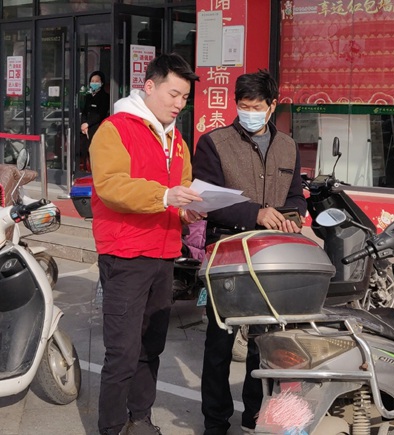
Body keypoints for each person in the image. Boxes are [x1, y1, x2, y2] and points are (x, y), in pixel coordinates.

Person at [90, 53, 204, 435]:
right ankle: (111, 427)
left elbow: (182, 188)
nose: (179, 103)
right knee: (122, 352)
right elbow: (111, 186)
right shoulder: (115, 129)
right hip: (125, 254)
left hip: (164, 254)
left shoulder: (177, 141)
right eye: (174, 94)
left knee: (151, 347)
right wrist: (166, 196)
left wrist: (187, 211)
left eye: (184, 98)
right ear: (150, 86)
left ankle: (140, 418)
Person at [193, 70, 307, 435]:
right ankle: (215, 422)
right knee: (219, 342)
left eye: (257, 107)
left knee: (266, 340)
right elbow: (207, 200)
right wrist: (255, 213)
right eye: (243, 106)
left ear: (272, 106)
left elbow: (295, 195)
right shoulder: (214, 143)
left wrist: (294, 215)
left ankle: (255, 414)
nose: (249, 113)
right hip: (227, 251)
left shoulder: (288, 146)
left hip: (271, 254)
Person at [80, 70, 110, 171]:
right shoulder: (88, 96)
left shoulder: (105, 97)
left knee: (96, 153)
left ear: (102, 83)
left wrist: (87, 123)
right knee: (85, 152)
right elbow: (84, 112)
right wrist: (83, 124)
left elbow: (100, 114)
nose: (94, 83)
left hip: (97, 128)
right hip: (86, 130)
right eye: (92, 81)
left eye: (97, 81)